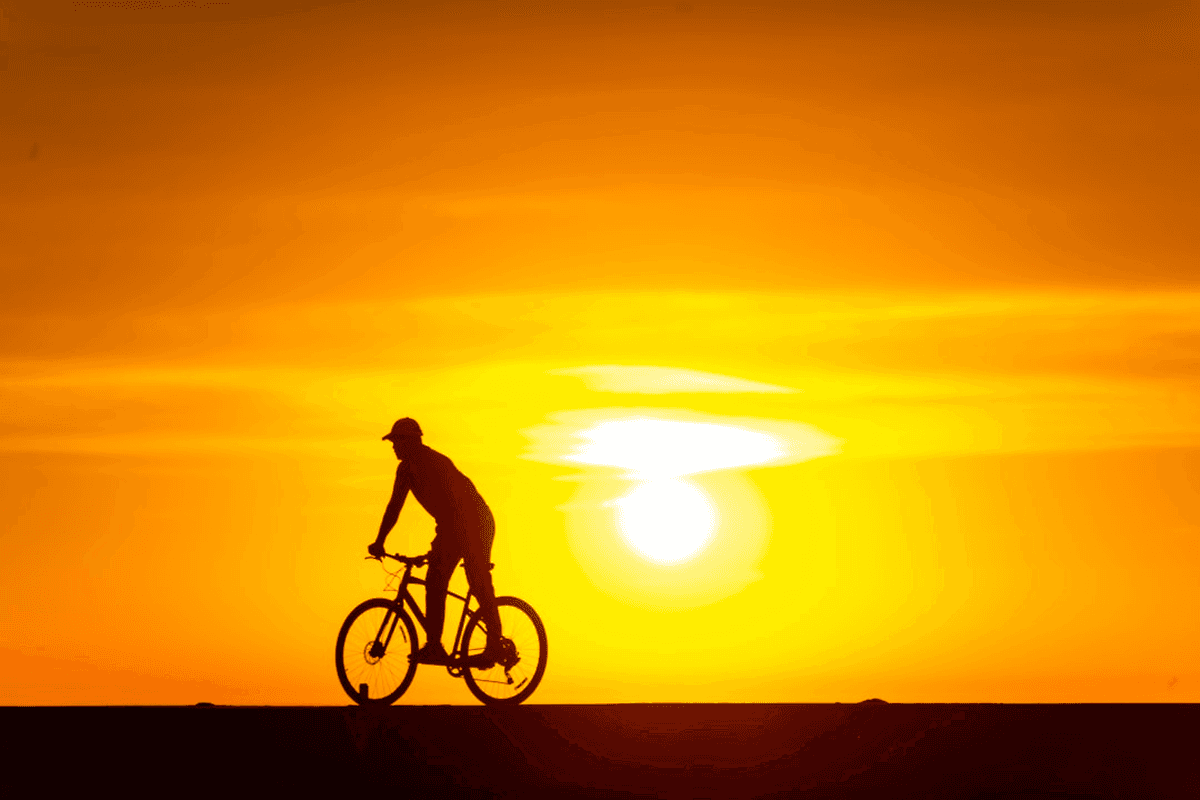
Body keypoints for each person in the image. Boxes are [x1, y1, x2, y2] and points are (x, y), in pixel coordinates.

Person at [368, 417, 503, 666]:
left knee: (476, 578)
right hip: (453, 527)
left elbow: (458, 507)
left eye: (397, 442)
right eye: (393, 442)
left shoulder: (433, 463)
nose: (394, 447)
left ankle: (495, 645)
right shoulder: (406, 469)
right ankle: (434, 647)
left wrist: (440, 548)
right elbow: (394, 507)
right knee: (435, 580)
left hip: (476, 521)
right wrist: (379, 541)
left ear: (411, 442)